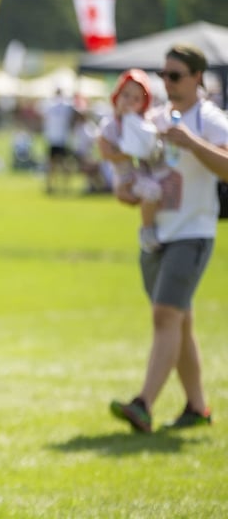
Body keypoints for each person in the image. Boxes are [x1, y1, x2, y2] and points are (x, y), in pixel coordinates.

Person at [109, 44, 228, 433]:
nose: (168, 82)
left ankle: (143, 404)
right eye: (164, 75)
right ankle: (197, 408)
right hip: (155, 234)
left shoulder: (211, 119)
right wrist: (126, 188)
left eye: (175, 75)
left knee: (164, 316)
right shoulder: (155, 117)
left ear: (197, 77)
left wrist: (191, 141)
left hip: (192, 232)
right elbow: (137, 168)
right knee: (179, 323)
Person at [98, 68, 164, 251]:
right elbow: (105, 152)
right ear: (117, 96)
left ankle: (152, 225)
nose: (129, 102)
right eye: (125, 95)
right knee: (152, 191)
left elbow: (152, 147)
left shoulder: (144, 124)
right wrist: (127, 153)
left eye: (136, 99)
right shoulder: (110, 125)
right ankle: (147, 230)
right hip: (125, 176)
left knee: (157, 192)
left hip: (144, 173)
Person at [40, 87, 76, 194]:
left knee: (52, 164)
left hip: (52, 138)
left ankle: (50, 186)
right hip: (62, 138)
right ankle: (65, 186)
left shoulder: (49, 104)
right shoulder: (67, 105)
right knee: (63, 163)